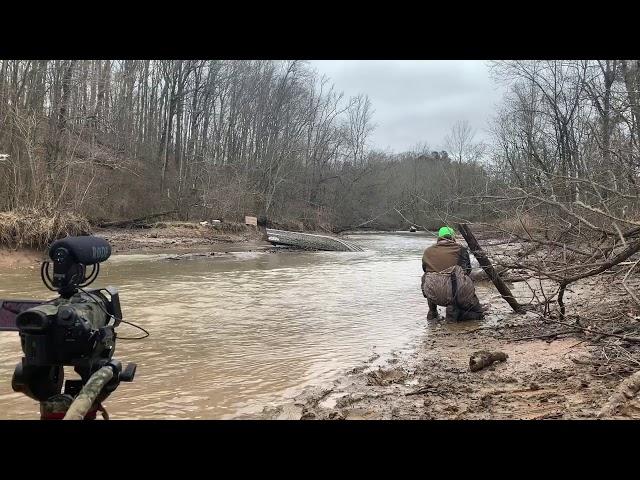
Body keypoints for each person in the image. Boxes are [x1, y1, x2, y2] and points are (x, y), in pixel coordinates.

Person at [421, 226, 484, 321]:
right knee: (479, 314)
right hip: (456, 294)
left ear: (439, 237)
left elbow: (425, 269)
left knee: (427, 277)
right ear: (453, 237)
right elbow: (467, 270)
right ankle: (455, 311)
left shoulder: (427, 251)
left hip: (433, 294)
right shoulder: (461, 249)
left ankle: (432, 312)